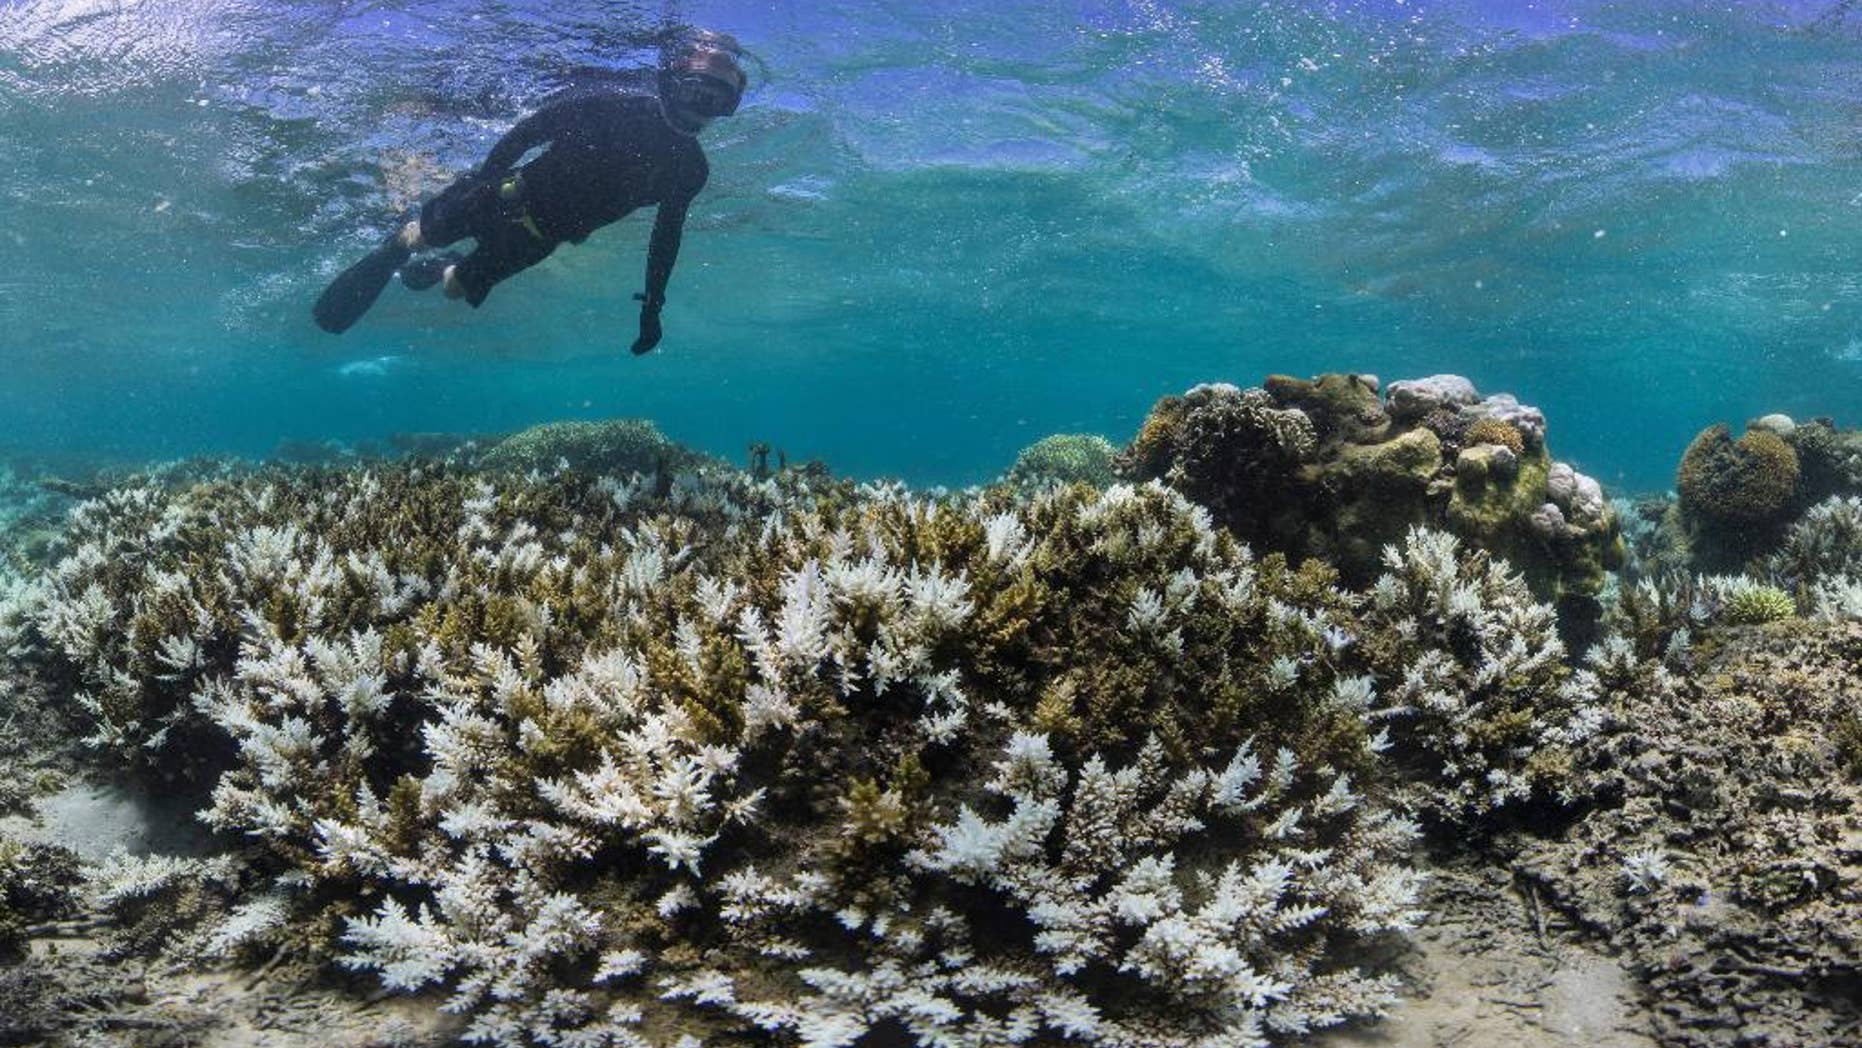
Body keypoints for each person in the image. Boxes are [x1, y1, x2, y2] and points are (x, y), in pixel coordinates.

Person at [313, 29, 747, 354]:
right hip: (502, 193)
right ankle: (397, 247)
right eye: (696, 93)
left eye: (717, 103)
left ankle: (448, 266)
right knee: (419, 235)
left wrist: (653, 305)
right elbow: (527, 131)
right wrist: (484, 183)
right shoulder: (613, 105)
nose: (701, 111)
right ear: (672, 83)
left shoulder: (690, 170)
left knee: (453, 289)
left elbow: (666, 237)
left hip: (536, 242)